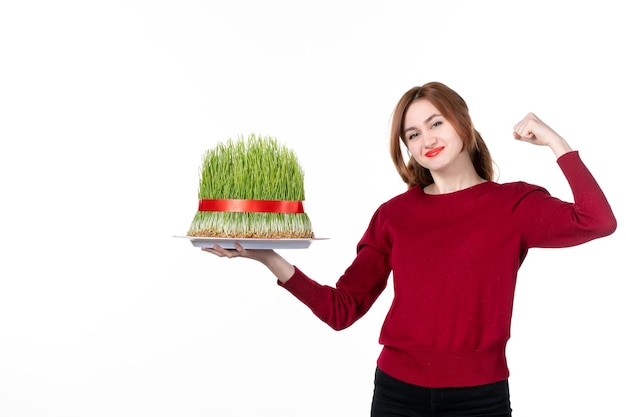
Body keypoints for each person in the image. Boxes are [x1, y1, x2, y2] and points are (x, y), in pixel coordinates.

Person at [202, 81, 617, 417]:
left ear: (463, 124)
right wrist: (267, 258)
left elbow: (598, 220)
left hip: (480, 399)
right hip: (398, 397)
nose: (426, 140)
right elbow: (342, 310)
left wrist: (554, 141)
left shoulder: (512, 205)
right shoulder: (394, 216)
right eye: (413, 134)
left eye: (436, 123)